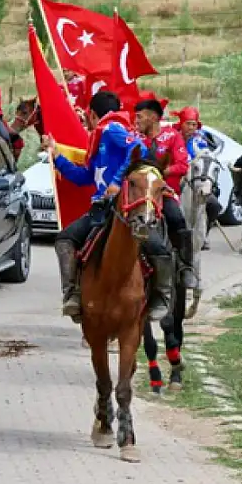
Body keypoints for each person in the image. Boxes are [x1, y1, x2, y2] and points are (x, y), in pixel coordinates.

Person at [44, 90, 174, 323]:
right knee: (65, 239)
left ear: (92, 114)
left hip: (123, 206)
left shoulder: (112, 128)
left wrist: (116, 182)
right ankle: (73, 295)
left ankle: (162, 296)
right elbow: (85, 177)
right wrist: (56, 157)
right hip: (99, 208)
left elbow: (139, 150)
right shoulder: (98, 137)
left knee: (156, 247)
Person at [133, 93, 196, 289]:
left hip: (164, 193)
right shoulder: (134, 138)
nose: (136, 121)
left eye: (140, 117)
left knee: (177, 218)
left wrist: (161, 173)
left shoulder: (172, 137)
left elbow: (182, 166)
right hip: (137, 195)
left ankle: (186, 267)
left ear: (153, 117)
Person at [173, 106, 224, 250]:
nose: (191, 127)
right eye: (188, 123)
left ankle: (203, 234)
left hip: (196, 180)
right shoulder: (172, 136)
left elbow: (205, 158)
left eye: (194, 124)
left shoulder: (200, 139)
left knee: (214, 205)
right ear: (181, 123)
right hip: (176, 177)